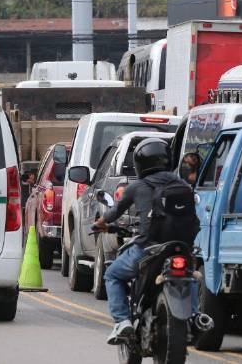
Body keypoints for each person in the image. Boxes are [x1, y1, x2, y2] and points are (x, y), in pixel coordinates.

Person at [93, 138, 207, 345]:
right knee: (189, 275)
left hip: (148, 248)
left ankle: (121, 322)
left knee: (112, 275)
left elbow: (115, 211)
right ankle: (195, 315)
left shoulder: (138, 186)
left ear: (140, 164)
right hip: (181, 247)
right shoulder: (183, 185)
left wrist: (100, 222)